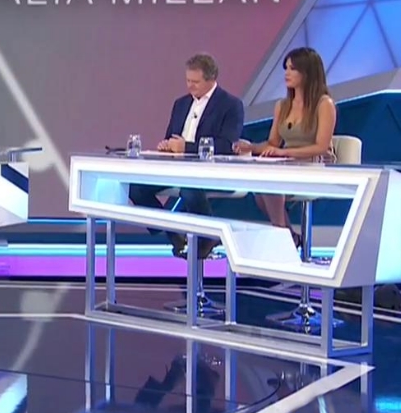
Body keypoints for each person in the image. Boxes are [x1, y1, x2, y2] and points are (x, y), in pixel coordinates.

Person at [128, 53, 244, 259]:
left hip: (209, 172)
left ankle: (208, 238)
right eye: (188, 80)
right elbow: (171, 136)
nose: (190, 86)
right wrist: (167, 146)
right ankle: (173, 234)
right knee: (136, 188)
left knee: (189, 191)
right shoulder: (181, 104)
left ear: (211, 79)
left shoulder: (230, 105)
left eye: (195, 82)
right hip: (176, 170)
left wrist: (186, 147)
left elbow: (226, 145)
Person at [234, 47, 337, 246]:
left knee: (270, 184)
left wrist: (283, 152)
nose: (287, 73)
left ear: (307, 72)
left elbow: (321, 147)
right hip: (287, 165)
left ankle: (283, 239)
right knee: (260, 190)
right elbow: (273, 143)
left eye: (293, 69)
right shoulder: (282, 105)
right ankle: (287, 237)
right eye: (286, 68)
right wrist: (251, 147)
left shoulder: (324, 104)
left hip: (314, 166)